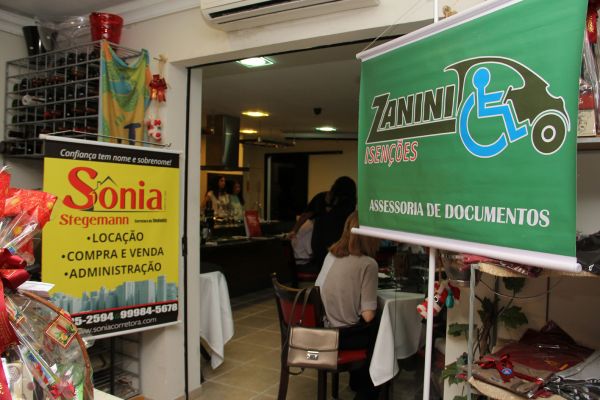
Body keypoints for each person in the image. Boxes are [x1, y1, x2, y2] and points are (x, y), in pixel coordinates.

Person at [316, 211, 380, 400]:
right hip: (341, 337)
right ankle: (367, 392)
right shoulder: (368, 264)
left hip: (322, 329)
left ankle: (357, 381)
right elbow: (368, 315)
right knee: (381, 330)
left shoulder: (331, 255)